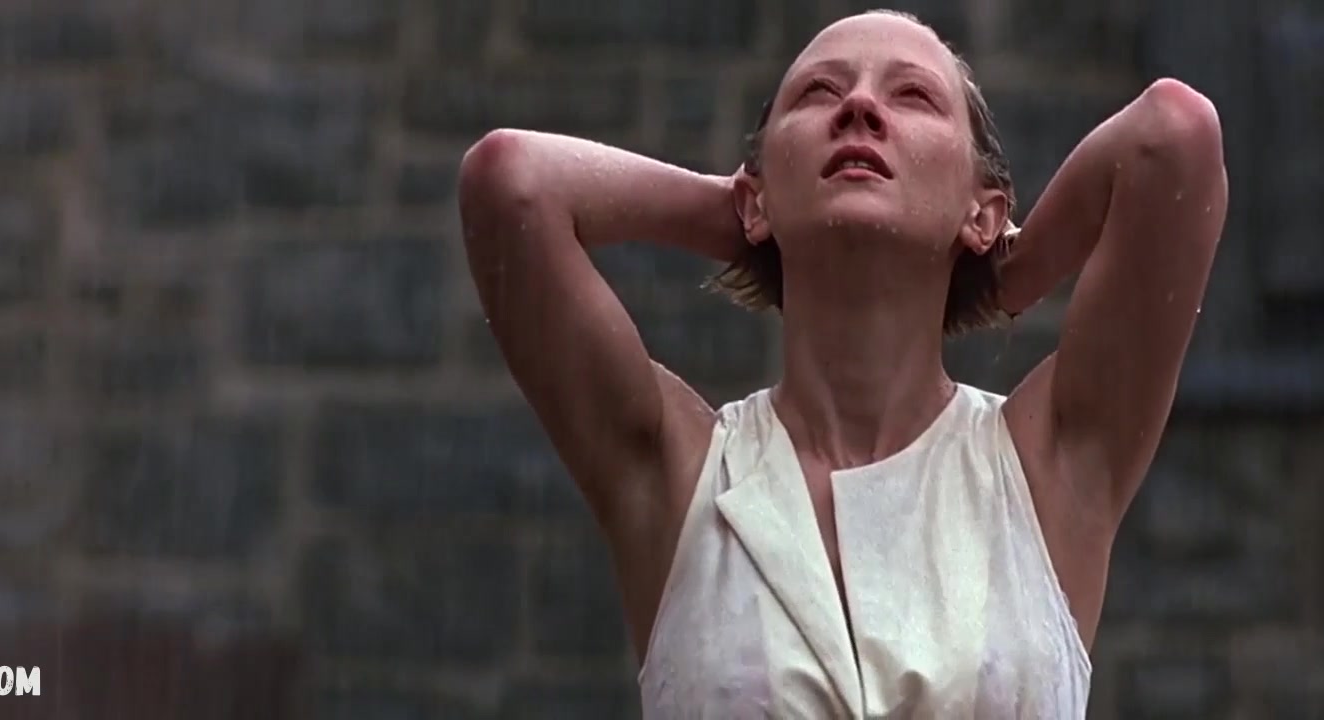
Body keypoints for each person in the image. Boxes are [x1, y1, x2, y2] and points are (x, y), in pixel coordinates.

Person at [456, 8, 1227, 718]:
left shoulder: (1045, 465)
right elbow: (511, 183)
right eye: (819, 93)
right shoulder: (677, 473)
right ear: (754, 199)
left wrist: (1012, 272)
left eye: (913, 96)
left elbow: (1174, 134)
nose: (859, 107)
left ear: (983, 211)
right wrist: (743, 214)